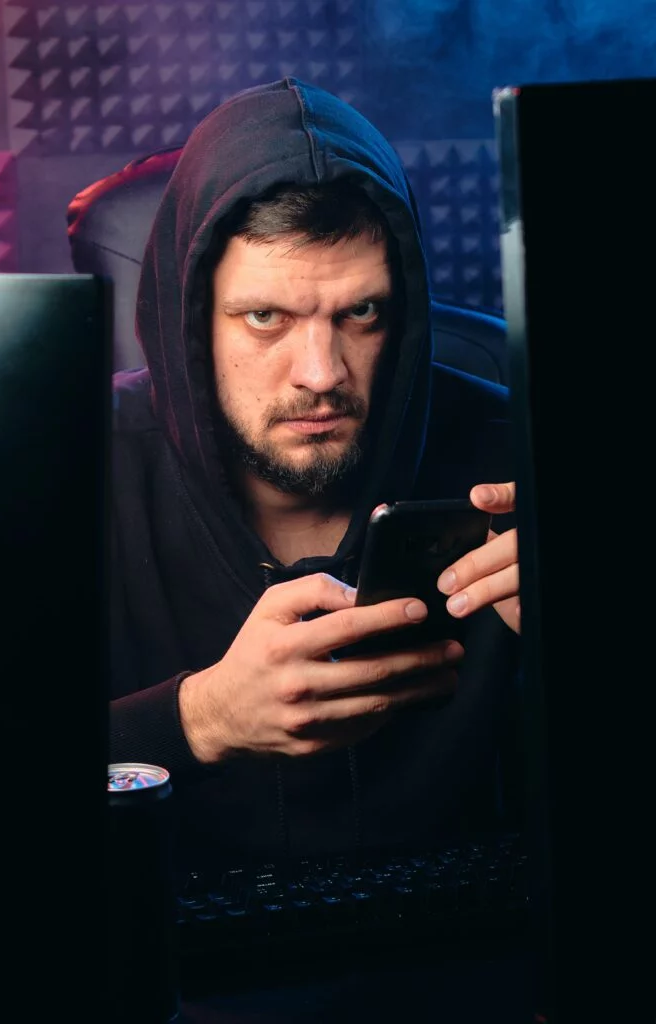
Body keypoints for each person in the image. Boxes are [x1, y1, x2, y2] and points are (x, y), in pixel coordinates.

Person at [110, 77, 521, 868]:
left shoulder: (522, 456)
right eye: (266, 318)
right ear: (187, 320)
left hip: (473, 932)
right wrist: (197, 721)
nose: (322, 373)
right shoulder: (68, 474)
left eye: (360, 313)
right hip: (170, 943)